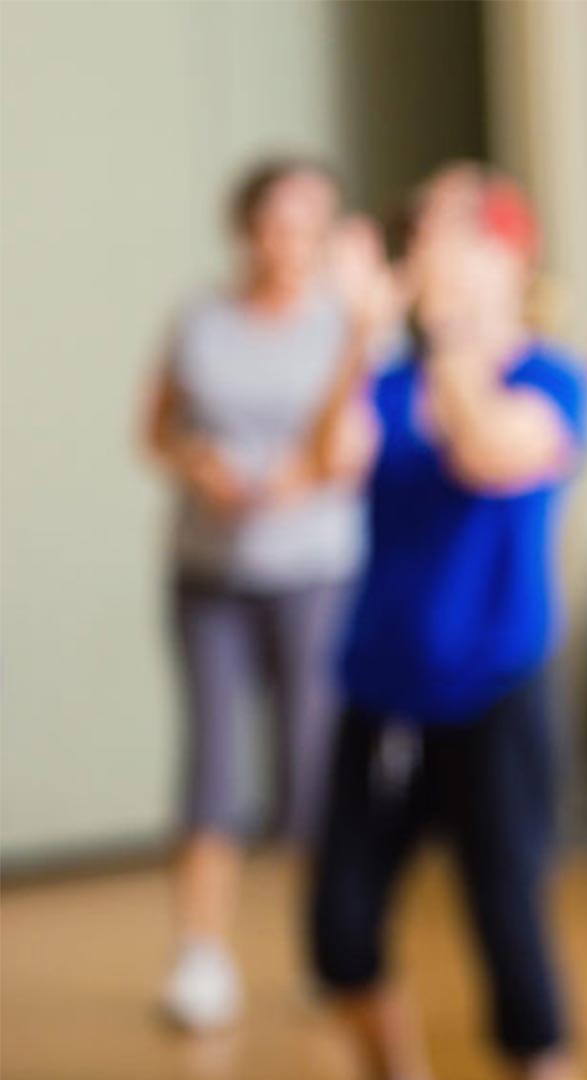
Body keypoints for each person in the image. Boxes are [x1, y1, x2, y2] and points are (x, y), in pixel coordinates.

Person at [304, 163, 587, 1080]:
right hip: (382, 690)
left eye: (449, 230)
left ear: (507, 252)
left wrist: (456, 329)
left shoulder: (549, 377)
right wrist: (356, 332)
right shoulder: (392, 378)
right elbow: (326, 459)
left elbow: (490, 451)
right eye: (420, 230)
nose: (424, 248)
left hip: (495, 690)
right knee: (340, 933)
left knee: (511, 935)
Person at [141, 157, 372, 1031]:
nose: (291, 241)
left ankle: (326, 949)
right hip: (209, 575)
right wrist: (201, 463)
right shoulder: (200, 318)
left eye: (311, 225)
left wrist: (297, 477)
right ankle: (200, 954)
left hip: (314, 570)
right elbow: (158, 425)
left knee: (313, 767)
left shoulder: (347, 326)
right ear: (246, 227)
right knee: (211, 759)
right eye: (277, 222)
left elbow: (356, 446)